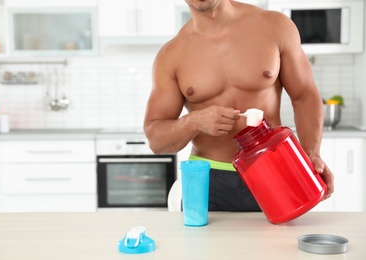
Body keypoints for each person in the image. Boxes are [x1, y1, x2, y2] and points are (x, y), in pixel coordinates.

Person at [143, 0, 334, 211]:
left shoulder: (275, 27)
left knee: (278, 244)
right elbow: (155, 138)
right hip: (208, 178)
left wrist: (311, 154)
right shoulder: (171, 55)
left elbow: (304, 96)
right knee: (201, 245)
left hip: (274, 171)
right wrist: (194, 121)